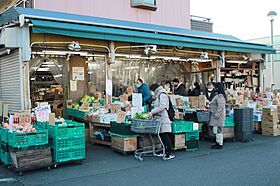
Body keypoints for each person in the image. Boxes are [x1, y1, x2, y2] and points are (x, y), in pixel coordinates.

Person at [149, 84, 175, 160]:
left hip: (164, 118)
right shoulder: (158, 95)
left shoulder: (162, 95)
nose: (151, 93)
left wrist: (152, 112)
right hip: (160, 118)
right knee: (162, 135)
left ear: (154, 90)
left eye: (151, 91)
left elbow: (162, 106)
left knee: (165, 135)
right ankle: (164, 150)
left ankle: (169, 152)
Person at [209, 82, 226, 149]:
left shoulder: (220, 96)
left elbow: (220, 106)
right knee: (217, 129)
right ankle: (218, 142)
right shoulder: (219, 95)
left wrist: (217, 114)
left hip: (218, 116)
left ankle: (219, 143)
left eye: (214, 86)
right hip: (216, 115)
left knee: (218, 129)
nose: (213, 88)